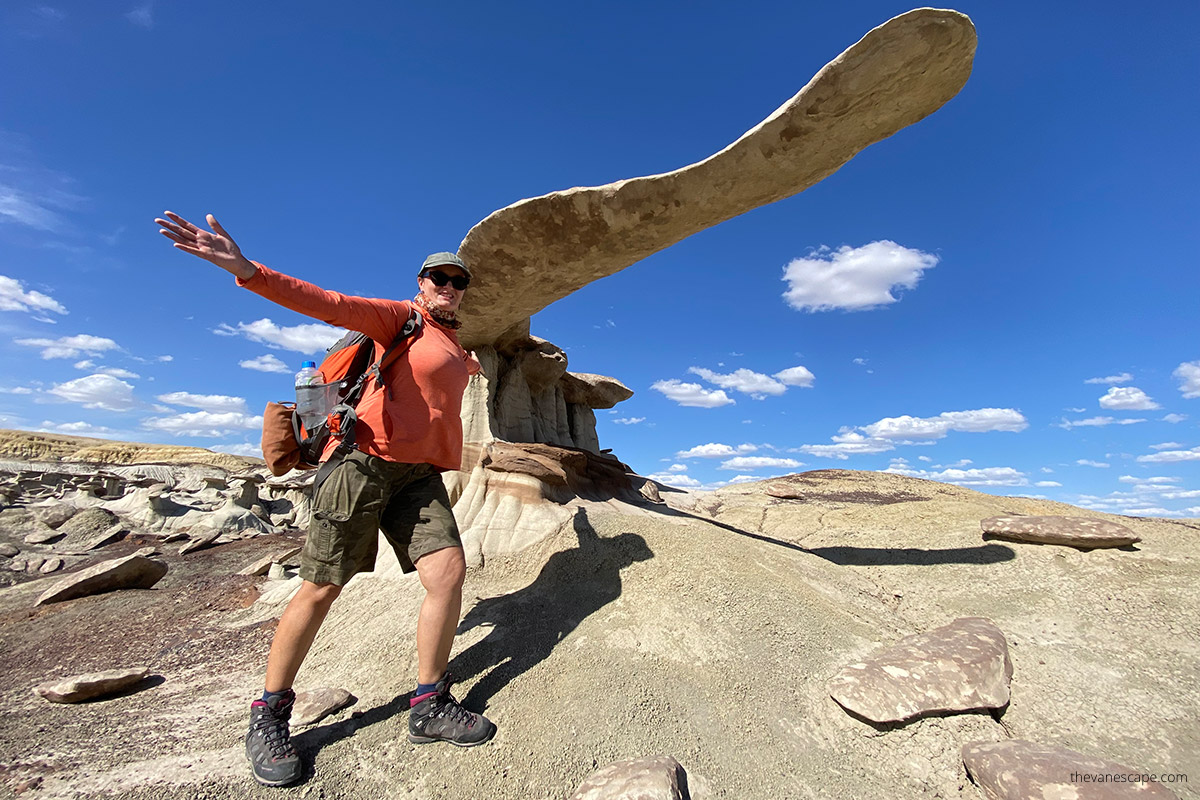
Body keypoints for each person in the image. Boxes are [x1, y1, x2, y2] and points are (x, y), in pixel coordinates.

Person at [154, 211, 495, 787]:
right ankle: (269, 713)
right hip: (361, 468)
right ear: (422, 282)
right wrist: (245, 269)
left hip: (417, 477)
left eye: (458, 281)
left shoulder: (453, 342)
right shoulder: (398, 318)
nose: (449, 287)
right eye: (440, 278)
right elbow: (326, 301)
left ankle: (428, 704)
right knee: (320, 588)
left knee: (448, 573)